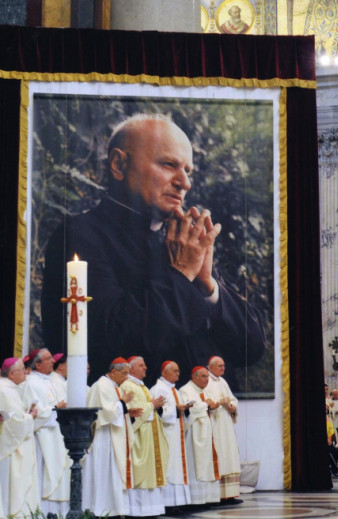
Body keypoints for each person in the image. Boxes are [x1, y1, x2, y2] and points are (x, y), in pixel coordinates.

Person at [42, 113, 267, 387]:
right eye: (169, 164)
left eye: (188, 171)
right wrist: (182, 275)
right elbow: (114, 340)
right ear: (119, 164)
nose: (185, 183)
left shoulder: (179, 241)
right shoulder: (78, 235)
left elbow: (251, 348)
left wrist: (208, 286)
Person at [19, 348, 70, 517]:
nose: (53, 362)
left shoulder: (48, 381)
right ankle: (43, 514)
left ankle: (58, 514)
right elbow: (35, 413)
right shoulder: (32, 383)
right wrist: (56, 408)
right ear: (38, 364)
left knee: (56, 473)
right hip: (42, 437)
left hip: (55, 434)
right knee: (44, 474)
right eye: (48, 359)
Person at [84, 359, 138, 518]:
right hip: (104, 436)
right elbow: (107, 413)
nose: (127, 377)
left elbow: (117, 410)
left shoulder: (114, 387)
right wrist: (123, 403)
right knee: (103, 472)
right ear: (113, 372)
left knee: (112, 472)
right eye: (124, 373)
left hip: (114, 435)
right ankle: (100, 510)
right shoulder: (101, 386)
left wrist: (127, 409)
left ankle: (113, 510)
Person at [120, 356, 169, 517]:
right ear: (132, 368)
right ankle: (137, 511)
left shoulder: (142, 386)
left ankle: (151, 509)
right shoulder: (127, 386)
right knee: (141, 472)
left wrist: (155, 405)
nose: (145, 368)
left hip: (149, 433)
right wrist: (151, 405)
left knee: (151, 472)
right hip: (140, 436)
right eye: (142, 365)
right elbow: (132, 411)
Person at [0, 358, 39, 519]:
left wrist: (27, 415)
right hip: (11, 449)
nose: (26, 372)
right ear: (12, 373)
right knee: (12, 485)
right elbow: (13, 423)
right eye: (23, 369)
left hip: (18, 445)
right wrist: (31, 417)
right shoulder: (5, 390)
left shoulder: (11, 389)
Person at [150, 361, 191, 509]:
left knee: (177, 467)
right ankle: (168, 503)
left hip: (177, 433)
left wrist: (185, 409)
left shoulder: (175, 390)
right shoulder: (159, 389)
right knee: (170, 467)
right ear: (165, 372)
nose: (178, 373)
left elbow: (178, 412)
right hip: (166, 434)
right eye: (174, 371)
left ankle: (178, 502)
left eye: (178, 371)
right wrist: (176, 409)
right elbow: (159, 413)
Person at [179, 366, 221, 505]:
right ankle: (195, 500)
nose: (206, 380)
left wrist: (212, 406)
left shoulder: (203, 391)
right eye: (203, 376)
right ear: (194, 377)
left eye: (207, 377)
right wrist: (205, 405)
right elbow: (189, 410)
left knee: (206, 465)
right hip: (194, 434)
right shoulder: (186, 390)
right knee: (195, 465)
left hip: (205, 433)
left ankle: (207, 498)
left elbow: (206, 406)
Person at [206, 356, 241, 502]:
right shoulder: (206, 381)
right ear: (211, 367)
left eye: (224, 365)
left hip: (226, 423)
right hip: (215, 424)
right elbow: (207, 403)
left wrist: (232, 406)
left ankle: (230, 494)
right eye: (220, 366)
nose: (223, 368)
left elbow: (232, 399)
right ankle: (218, 495)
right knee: (219, 456)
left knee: (229, 456)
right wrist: (220, 403)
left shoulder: (222, 381)